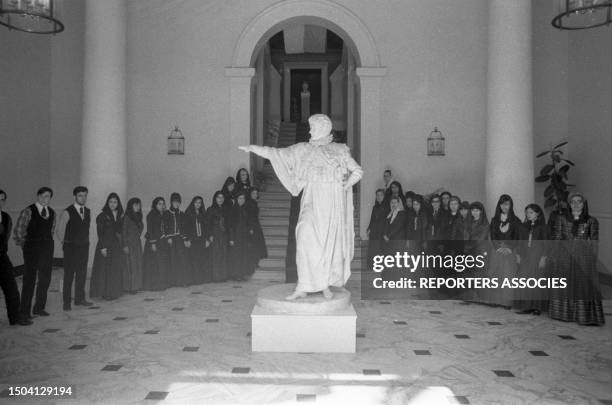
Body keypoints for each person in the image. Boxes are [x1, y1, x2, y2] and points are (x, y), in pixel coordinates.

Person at [240, 113, 363, 300]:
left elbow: (358, 171)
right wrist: (254, 149)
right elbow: (277, 153)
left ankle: (323, 285)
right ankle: (303, 285)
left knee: (326, 246)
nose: (310, 130)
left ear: (323, 128)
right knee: (304, 233)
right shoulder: (303, 149)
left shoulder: (339, 150)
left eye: (313, 127)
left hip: (331, 206)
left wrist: (344, 186)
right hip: (312, 202)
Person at [549, 193, 605, 325]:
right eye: (573, 201)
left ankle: (582, 316)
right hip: (565, 256)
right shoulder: (561, 218)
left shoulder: (591, 221)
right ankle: (563, 314)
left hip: (584, 257)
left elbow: (594, 242)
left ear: (583, 203)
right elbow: (557, 238)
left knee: (582, 286)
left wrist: (593, 259)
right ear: (569, 204)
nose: (576, 204)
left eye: (579, 201)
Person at [14, 187, 55, 318]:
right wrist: (26, 247)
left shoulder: (52, 213)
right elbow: (19, 231)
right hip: (31, 250)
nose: (45, 199)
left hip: (47, 250)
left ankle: (39, 308)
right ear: (38, 196)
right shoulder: (28, 210)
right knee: (29, 280)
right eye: (43, 196)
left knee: (45, 279)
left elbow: (51, 231)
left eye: (48, 196)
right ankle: (24, 313)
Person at [56, 186, 92, 310]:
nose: (83, 198)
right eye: (80, 195)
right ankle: (66, 303)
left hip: (84, 248)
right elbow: (60, 231)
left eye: (85, 195)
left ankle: (79, 299)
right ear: (75, 196)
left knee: (82, 274)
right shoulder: (67, 211)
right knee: (69, 275)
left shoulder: (88, 211)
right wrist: (67, 244)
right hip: (71, 249)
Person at [482, 194, 521, 308]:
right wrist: (498, 247)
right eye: (502, 204)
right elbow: (493, 236)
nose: (504, 206)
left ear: (511, 205)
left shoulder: (516, 220)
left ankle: (506, 302)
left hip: (510, 251)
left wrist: (509, 248)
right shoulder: (494, 220)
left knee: (508, 276)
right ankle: (494, 300)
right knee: (494, 274)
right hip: (497, 250)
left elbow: (517, 237)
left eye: (507, 204)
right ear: (499, 205)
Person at [0, 190, 30, 326]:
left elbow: (5, 238)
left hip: (2, 257)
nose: (0, 202)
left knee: (11, 288)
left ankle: (16, 317)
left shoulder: (5, 217)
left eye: (2, 200)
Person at [514, 204, 550, 315]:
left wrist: (543, 258)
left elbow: (547, 244)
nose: (528, 215)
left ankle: (537, 307)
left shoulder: (544, 227)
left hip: (537, 256)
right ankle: (526, 306)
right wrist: (518, 255)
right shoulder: (523, 226)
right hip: (525, 256)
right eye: (527, 212)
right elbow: (519, 242)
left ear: (538, 213)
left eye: (531, 212)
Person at [90, 193, 125, 301]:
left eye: (115, 202)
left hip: (116, 246)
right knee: (105, 270)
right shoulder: (102, 216)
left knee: (115, 268)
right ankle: (106, 293)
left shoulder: (120, 215)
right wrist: (103, 247)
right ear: (107, 203)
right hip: (105, 245)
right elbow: (100, 233)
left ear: (118, 203)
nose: (113, 204)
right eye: (110, 202)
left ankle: (114, 292)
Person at [143, 197, 169, 291]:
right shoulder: (151, 215)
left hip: (162, 242)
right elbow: (150, 230)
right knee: (154, 264)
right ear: (155, 205)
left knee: (161, 263)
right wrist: (153, 243)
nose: (161, 206)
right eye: (159, 204)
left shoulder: (163, 214)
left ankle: (161, 284)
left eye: (163, 204)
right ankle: (153, 285)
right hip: (153, 242)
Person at [165, 192, 191, 286]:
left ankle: (182, 281)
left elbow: (185, 228)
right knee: (172, 260)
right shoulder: (167, 214)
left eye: (178, 202)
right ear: (171, 202)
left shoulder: (182, 214)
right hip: (171, 240)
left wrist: (186, 239)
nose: (177, 204)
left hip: (180, 240)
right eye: (175, 202)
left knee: (182, 260)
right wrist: (168, 237)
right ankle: (173, 281)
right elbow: (165, 227)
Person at [185, 196, 210, 284]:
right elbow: (186, 228)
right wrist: (187, 239)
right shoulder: (188, 213)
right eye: (196, 202)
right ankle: (195, 279)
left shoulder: (203, 213)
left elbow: (206, 227)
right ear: (193, 203)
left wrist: (207, 239)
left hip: (201, 239)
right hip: (193, 240)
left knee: (202, 259)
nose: (198, 204)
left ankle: (201, 278)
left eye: (200, 202)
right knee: (193, 259)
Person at [227, 192, 252, 280]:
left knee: (243, 255)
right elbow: (230, 226)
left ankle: (242, 274)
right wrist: (231, 238)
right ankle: (236, 274)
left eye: (243, 199)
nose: (241, 200)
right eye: (240, 198)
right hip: (236, 236)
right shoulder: (233, 210)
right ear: (236, 200)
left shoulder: (245, 209)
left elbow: (247, 223)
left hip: (244, 236)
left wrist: (249, 230)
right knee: (236, 256)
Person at [122, 198, 144, 293]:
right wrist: (125, 245)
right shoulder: (126, 217)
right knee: (130, 265)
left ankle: (137, 285)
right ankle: (130, 287)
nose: (138, 207)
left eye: (139, 205)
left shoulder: (138, 217)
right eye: (135, 205)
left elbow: (140, 229)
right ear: (131, 206)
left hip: (137, 244)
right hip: (129, 244)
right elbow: (123, 232)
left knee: (137, 264)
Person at [205, 191, 228, 282]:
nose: (220, 199)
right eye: (218, 197)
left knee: (223, 255)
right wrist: (210, 235)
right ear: (215, 198)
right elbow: (207, 224)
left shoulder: (225, 209)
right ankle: (216, 277)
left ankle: (223, 276)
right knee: (216, 256)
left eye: (222, 197)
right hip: (215, 235)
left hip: (223, 235)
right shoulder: (210, 209)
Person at [245, 187, 267, 270]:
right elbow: (248, 217)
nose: (255, 195)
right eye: (253, 193)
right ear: (250, 194)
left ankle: (255, 263)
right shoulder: (248, 203)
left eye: (256, 193)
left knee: (257, 244)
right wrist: (250, 228)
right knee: (253, 245)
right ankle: (252, 263)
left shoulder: (254, 202)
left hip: (256, 225)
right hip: (251, 226)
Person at [367, 189, 389, 266]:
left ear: (384, 196)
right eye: (377, 195)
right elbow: (372, 219)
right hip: (374, 231)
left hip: (382, 231)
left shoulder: (387, 207)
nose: (379, 197)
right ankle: (373, 265)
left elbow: (387, 220)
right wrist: (369, 228)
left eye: (381, 195)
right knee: (373, 248)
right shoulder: (375, 207)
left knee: (381, 248)